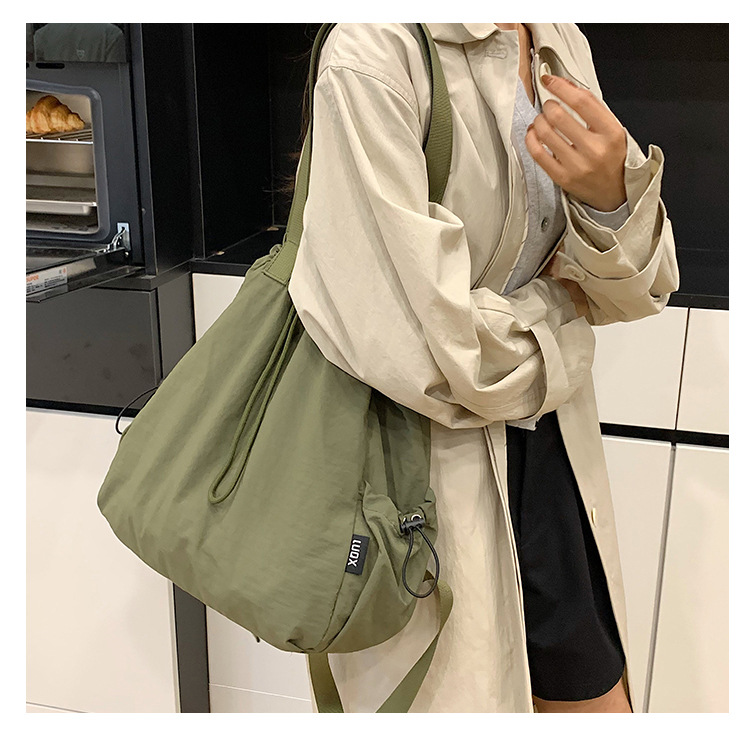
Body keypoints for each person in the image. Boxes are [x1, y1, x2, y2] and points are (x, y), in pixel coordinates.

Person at [287, 23, 679, 714]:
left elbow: (636, 290)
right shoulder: (375, 50)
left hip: (552, 455)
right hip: (421, 470)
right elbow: (415, 337)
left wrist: (611, 197)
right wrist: (564, 327)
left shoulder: (557, 37)